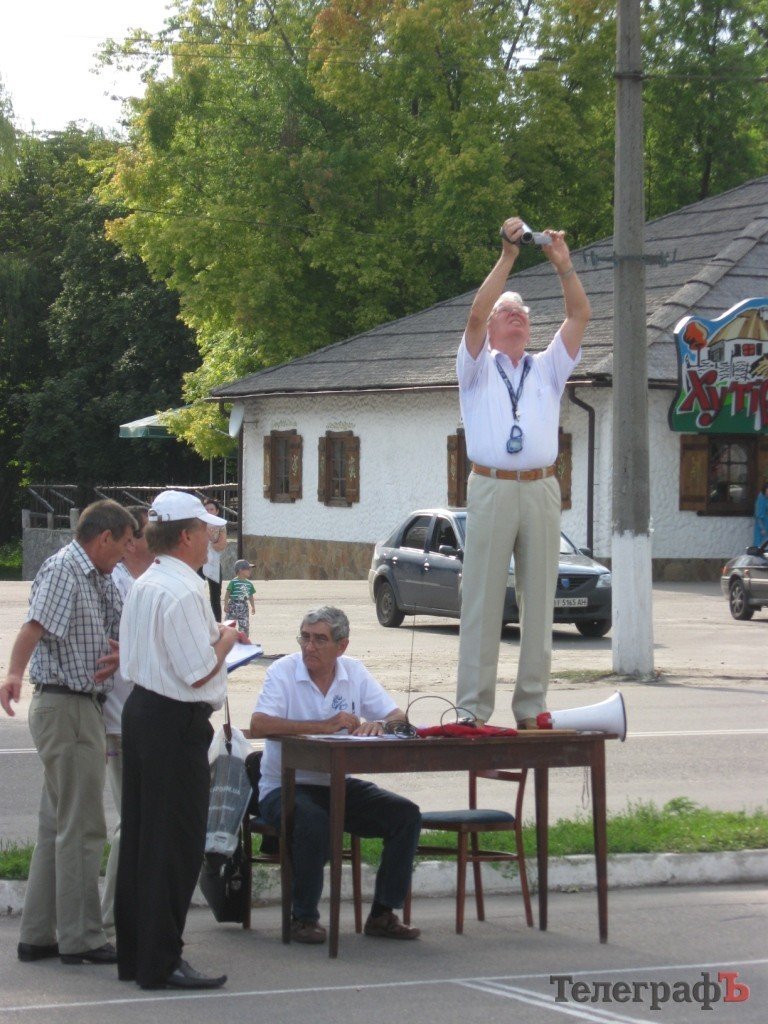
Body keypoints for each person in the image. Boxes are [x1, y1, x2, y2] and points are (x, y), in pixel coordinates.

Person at [455, 216, 591, 728]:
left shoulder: (547, 367)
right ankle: (471, 709)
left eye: (523, 316)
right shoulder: (476, 368)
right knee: (483, 602)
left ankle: (531, 708)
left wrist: (563, 267)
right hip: (490, 485)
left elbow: (579, 316)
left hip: (540, 489)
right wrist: (509, 257)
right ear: (492, 327)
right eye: (507, 314)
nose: (517, 320)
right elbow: (472, 316)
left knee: (540, 607)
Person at [0, 500, 137, 966]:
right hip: (67, 705)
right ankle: (82, 937)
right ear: (104, 538)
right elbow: (33, 627)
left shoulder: (98, 578)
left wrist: (127, 651)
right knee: (83, 827)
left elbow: (124, 632)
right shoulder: (65, 570)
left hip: (79, 707)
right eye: (123, 544)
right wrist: (12, 673)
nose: (125, 554)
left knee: (56, 822)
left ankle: (38, 933)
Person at [115, 490, 238, 990]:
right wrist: (227, 639)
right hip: (174, 722)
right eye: (206, 531)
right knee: (175, 845)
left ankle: (137, 957)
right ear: (186, 536)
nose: (212, 539)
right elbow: (195, 670)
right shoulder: (184, 590)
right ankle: (162, 960)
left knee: (144, 840)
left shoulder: (147, 582)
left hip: (143, 712)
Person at [250, 606, 422, 944]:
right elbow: (260, 724)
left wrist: (382, 724)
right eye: (305, 637)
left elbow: (399, 717)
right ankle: (303, 918)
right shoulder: (283, 671)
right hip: (283, 787)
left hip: (335, 783)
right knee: (313, 820)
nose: (309, 647)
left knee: (405, 815)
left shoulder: (353, 672)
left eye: (320, 640)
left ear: (341, 646)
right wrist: (324, 725)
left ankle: (383, 913)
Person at [100, 506, 153, 940]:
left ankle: (120, 912)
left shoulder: (142, 583)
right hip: (118, 721)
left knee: (137, 818)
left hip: (140, 718)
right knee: (130, 819)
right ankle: (113, 915)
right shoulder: (117, 585)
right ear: (132, 541)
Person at [200, 497, 227, 620]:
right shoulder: (198, 523)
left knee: (215, 595)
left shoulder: (221, 524)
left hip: (214, 562)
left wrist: (210, 542)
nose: (209, 511)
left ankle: (217, 623)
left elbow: (221, 545)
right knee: (197, 592)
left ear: (217, 511)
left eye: (212, 509)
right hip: (198, 561)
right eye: (206, 509)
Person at [224, 558, 256, 637]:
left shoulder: (249, 584)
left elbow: (250, 595)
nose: (250, 571)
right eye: (248, 569)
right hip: (233, 605)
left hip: (244, 606)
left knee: (244, 625)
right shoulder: (233, 582)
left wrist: (253, 606)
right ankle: (227, 640)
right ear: (241, 570)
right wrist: (225, 605)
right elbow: (227, 594)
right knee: (229, 624)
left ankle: (243, 641)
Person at [754, 482, 768, 548]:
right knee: (761, 544)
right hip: (762, 524)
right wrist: (762, 528)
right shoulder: (761, 499)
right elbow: (758, 516)